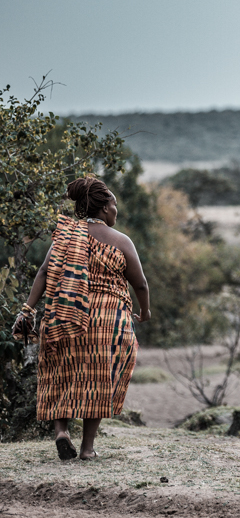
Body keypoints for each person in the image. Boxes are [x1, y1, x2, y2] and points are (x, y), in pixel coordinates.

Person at [10, 177, 150, 461]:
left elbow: (43, 273)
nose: (116, 210)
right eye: (114, 204)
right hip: (106, 323)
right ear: (104, 208)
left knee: (60, 373)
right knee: (98, 381)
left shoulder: (66, 237)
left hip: (64, 315)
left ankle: (61, 432)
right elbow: (141, 284)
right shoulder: (121, 240)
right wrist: (145, 311)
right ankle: (87, 449)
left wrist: (28, 309)